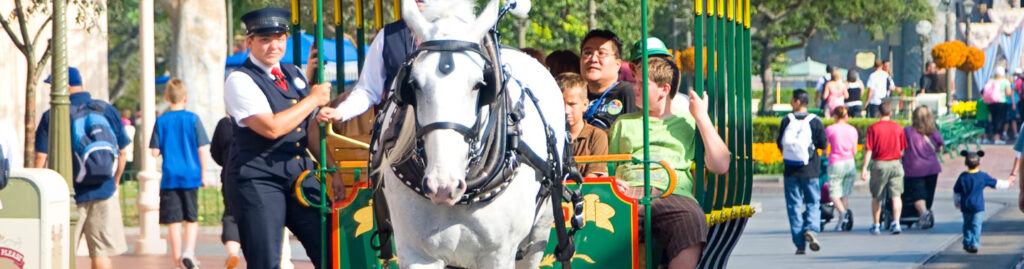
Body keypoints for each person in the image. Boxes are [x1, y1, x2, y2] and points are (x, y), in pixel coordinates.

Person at [223, 8, 332, 268]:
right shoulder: (239, 79)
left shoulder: (293, 73)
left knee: (331, 249)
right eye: (265, 39)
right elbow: (270, 128)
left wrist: (333, 171)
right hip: (259, 180)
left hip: (299, 175)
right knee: (266, 262)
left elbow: (309, 131)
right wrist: (313, 100)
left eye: (280, 38)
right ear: (249, 42)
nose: (274, 45)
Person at [608, 46, 730, 268]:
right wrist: (615, 185)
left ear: (664, 89)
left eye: (641, 85)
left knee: (691, 219)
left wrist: (702, 117)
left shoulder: (687, 122)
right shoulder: (622, 124)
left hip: (672, 193)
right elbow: (609, 169)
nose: (633, 88)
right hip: (629, 195)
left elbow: (720, 164)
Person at [34, 67, 130, 269]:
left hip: (67, 195)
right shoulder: (105, 109)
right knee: (101, 252)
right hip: (103, 190)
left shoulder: (52, 115)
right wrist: (116, 181)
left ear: (65, 86)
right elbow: (122, 152)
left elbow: (41, 157)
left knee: (62, 252)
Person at [317, 0, 428, 123]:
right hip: (399, 126)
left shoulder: (452, 34)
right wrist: (341, 112)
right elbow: (368, 90)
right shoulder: (387, 36)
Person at [149, 78, 209, 268]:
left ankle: (177, 260)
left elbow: (154, 151)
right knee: (191, 218)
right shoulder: (193, 119)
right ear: (186, 98)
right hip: (191, 175)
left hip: (170, 176)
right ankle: (189, 252)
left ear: (167, 98)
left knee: (173, 221)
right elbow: (202, 148)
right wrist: (204, 173)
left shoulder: (161, 121)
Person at [776, 89, 827, 254]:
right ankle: (811, 228)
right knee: (813, 202)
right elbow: (823, 144)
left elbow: (780, 143)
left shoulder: (787, 120)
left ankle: (799, 244)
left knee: (794, 206)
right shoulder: (815, 121)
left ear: (797, 101)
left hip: (791, 170)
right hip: (810, 170)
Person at [953, 150, 1013, 253]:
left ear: (965, 163)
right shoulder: (982, 176)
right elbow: (995, 183)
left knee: (967, 225)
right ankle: (974, 243)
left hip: (966, 206)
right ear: (979, 163)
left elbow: (956, 191)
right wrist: (1008, 183)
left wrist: (957, 203)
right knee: (976, 225)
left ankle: (967, 242)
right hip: (978, 206)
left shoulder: (963, 176)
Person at [578, 29, 639, 130]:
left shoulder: (627, 92)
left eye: (601, 53)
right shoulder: (575, 94)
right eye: (587, 53)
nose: (593, 59)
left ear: (618, 63)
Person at [861, 104, 907, 235]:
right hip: (895, 164)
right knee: (896, 195)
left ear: (878, 113)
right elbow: (902, 148)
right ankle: (896, 223)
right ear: (891, 113)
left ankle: (876, 225)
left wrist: (864, 167)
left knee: (876, 195)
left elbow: (869, 149)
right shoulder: (898, 127)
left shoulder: (873, 128)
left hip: (880, 164)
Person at [557, 72, 608, 177]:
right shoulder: (549, 136)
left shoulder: (596, 136)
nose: (566, 110)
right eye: (560, 104)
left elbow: (592, 178)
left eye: (572, 104)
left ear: (585, 105)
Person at [901, 106, 943, 228]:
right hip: (932, 168)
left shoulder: (908, 131)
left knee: (918, 195)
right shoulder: (934, 132)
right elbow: (939, 148)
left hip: (914, 168)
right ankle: (925, 213)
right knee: (929, 194)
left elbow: (902, 147)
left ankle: (924, 214)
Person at [209, 116, 242, 268]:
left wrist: (225, 159)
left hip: (230, 174)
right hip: (258, 175)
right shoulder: (257, 120)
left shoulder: (225, 123)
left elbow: (214, 151)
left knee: (231, 215)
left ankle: (232, 253)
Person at [825, 106, 857, 231]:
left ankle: (843, 214)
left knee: (833, 193)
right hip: (850, 162)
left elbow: (824, 147)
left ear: (835, 116)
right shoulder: (852, 130)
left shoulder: (830, 129)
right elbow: (854, 150)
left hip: (836, 162)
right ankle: (843, 221)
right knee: (844, 193)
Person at [981, 67, 1012, 144]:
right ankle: (997, 138)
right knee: (1000, 120)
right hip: (1001, 102)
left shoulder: (991, 80)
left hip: (991, 102)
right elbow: (1008, 93)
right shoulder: (1005, 81)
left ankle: (992, 136)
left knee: (993, 120)